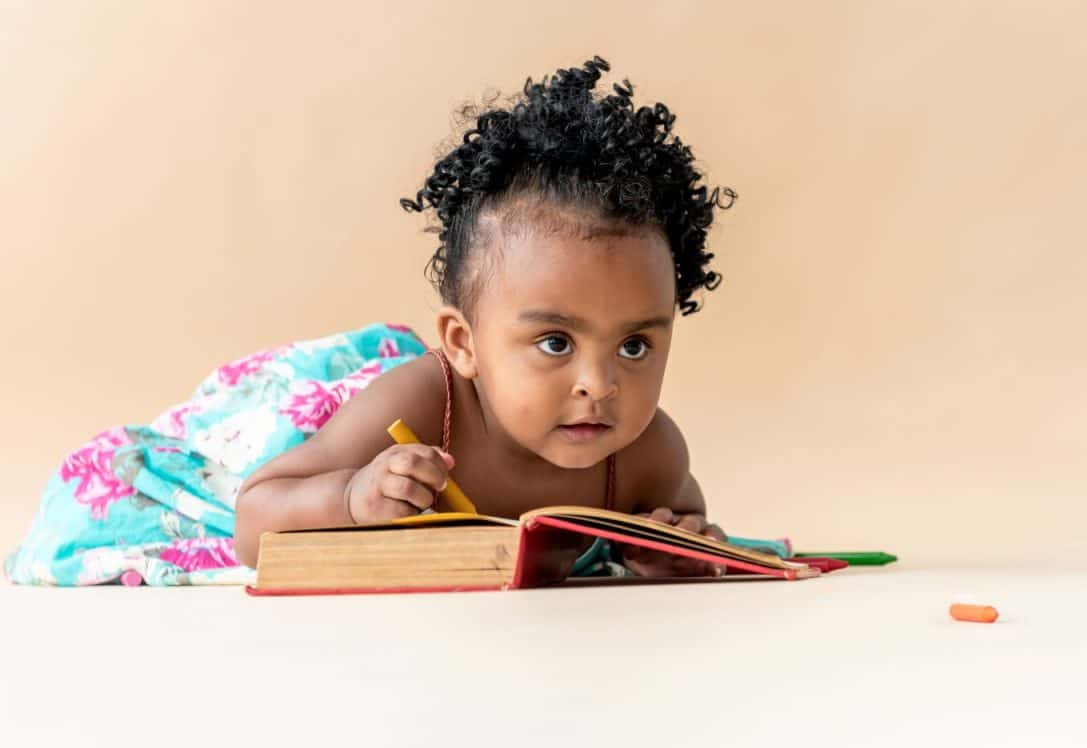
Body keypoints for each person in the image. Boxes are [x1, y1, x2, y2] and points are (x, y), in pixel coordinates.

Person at [233, 56, 738, 580]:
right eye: (556, 343)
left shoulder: (647, 452)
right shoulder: (426, 405)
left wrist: (677, 546)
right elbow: (251, 524)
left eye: (633, 346)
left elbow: (689, 524)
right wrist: (352, 497)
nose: (599, 385)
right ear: (464, 343)